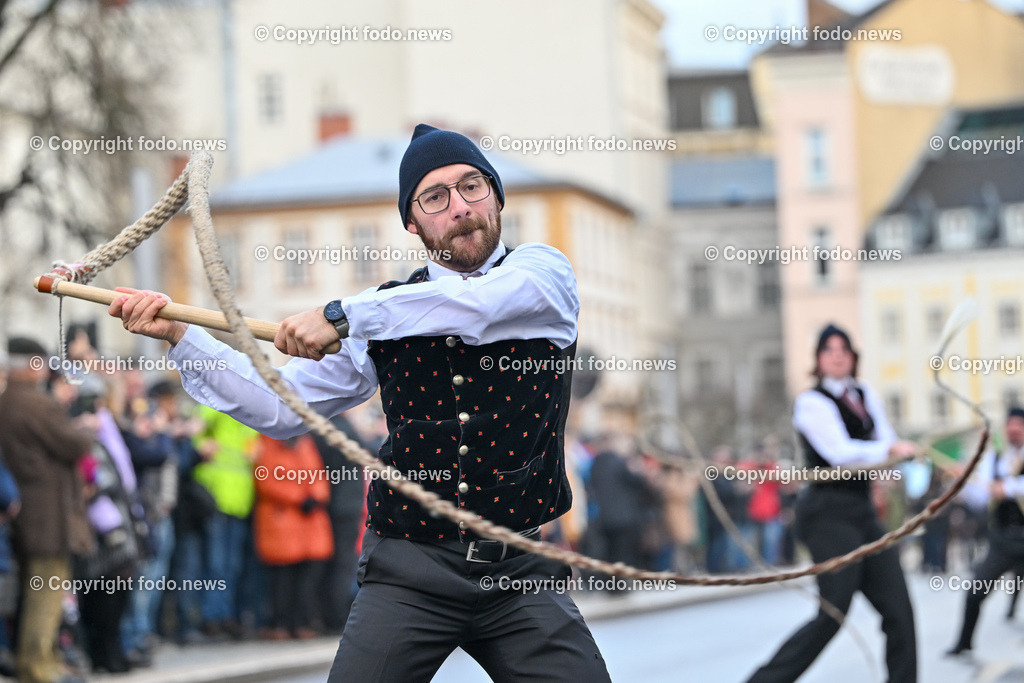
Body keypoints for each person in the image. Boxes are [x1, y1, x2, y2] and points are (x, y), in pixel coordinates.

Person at [107, 123, 610, 681]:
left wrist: (343, 316)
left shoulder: (542, 275)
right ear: (413, 222)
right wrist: (182, 336)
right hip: (411, 571)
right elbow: (280, 405)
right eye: (435, 197)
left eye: (473, 187)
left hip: (518, 574)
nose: (461, 207)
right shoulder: (377, 312)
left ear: (496, 196)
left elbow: (477, 306)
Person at [746, 324, 918, 683]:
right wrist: (887, 451)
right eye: (830, 349)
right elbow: (838, 453)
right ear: (819, 360)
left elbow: (886, 438)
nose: (838, 355)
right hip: (827, 515)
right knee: (833, 612)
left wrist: (897, 454)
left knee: (899, 611)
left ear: (854, 357)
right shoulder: (811, 403)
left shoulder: (865, 393)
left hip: (863, 515)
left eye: (844, 349)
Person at [0, 338, 94, 683]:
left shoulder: (6, 401)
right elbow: (74, 443)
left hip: (24, 514)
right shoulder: (35, 403)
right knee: (47, 593)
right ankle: (39, 667)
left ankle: (42, 661)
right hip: (48, 515)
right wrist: (85, 430)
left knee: (35, 590)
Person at [946, 407, 1024, 656]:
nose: (1013, 429)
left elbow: (1010, 488)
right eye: (1010, 424)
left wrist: (1009, 488)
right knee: (975, 591)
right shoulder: (996, 457)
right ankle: (964, 642)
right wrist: (963, 481)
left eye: (1019, 425)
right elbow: (981, 497)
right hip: (1004, 539)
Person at [253, 434, 333, 639]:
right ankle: (280, 624)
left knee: (305, 579)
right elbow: (266, 481)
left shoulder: (305, 444)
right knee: (282, 579)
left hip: (306, 522)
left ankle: (301, 623)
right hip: (282, 520)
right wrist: (299, 498)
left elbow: (318, 475)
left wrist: (315, 497)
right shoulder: (267, 444)